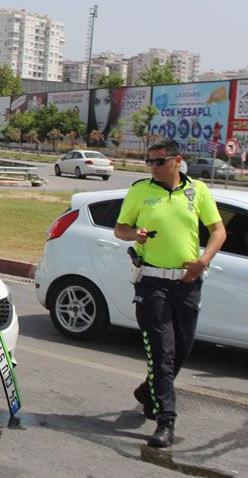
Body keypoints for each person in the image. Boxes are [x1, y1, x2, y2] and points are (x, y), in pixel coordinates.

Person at [114, 138, 226, 448]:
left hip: (188, 282)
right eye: (149, 161)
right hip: (151, 282)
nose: (153, 166)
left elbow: (218, 230)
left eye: (159, 161)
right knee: (162, 352)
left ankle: (147, 391)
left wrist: (203, 261)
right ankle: (166, 420)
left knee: (183, 347)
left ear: (177, 161)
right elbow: (120, 228)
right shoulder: (140, 191)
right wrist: (133, 233)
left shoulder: (197, 190)